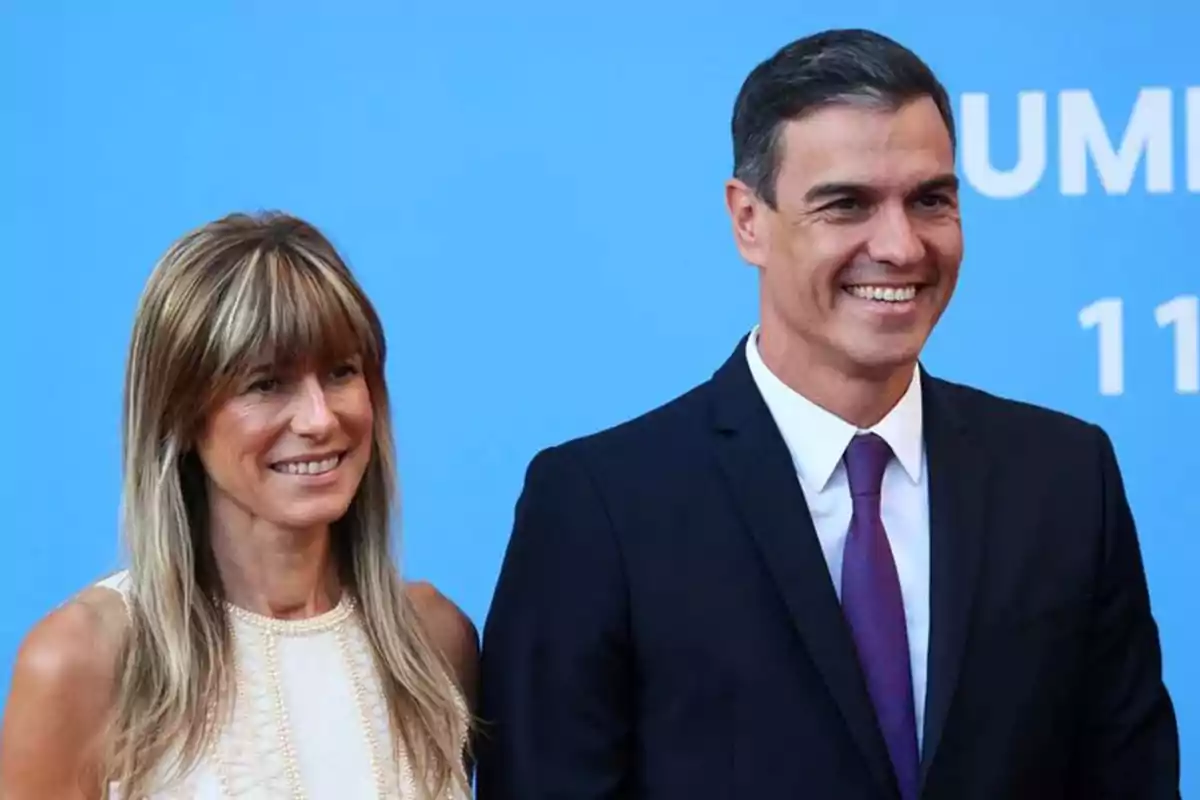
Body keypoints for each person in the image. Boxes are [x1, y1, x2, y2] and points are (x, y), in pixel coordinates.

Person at [475, 28, 1180, 799]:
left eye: (930, 200)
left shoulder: (1066, 479)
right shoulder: (599, 506)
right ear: (749, 220)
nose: (901, 246)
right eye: (846, 205)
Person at [0, 212, 478, 799]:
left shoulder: (433, 641)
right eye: (266, 384)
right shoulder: (82, 660)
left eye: (340, 372)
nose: (320, 419)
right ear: (180, 415)